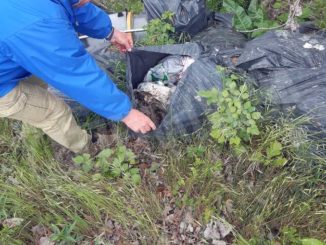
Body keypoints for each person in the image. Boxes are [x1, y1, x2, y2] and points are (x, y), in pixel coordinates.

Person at [0, 0, 156, 154]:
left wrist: (110, 32)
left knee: (38, 88)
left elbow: (77, 6)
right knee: (53, 111)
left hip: (11, 47)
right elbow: (75, 74)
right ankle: (90, 151)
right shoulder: (39, 25)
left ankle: (35, 131)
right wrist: (126, 113)